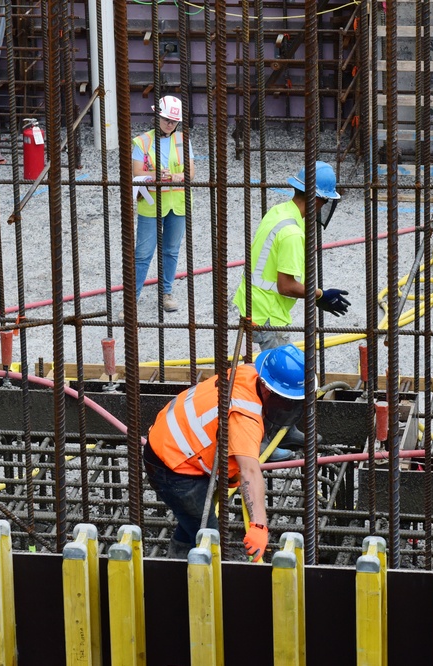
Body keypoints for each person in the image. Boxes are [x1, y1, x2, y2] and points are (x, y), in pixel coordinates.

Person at [144, 344, 308, 560]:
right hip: (173, 465)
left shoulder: (251, 372)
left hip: (175, 441)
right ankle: (186, 579)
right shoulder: (244, 416)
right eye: (286, 402)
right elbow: (250, 472)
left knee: (193, 521)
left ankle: (178, 558)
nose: (289, 408)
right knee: (208, 535)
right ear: (268, 389)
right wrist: (259, 525)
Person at [234, 160, 350, 352]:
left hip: (253, 303)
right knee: (281, 376)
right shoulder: (292, 233)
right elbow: (286, 286)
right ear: (317, 199)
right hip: (268, 314)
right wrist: (320, 295)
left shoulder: (278, 212)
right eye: (325, 200)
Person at [129, 95, 196, 316]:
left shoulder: (183, 141)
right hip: (151, 205)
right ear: (157, 115)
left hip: (177, 204)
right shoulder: (142, 141)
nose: (170, 124)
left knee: (171, 251)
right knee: (143, 253)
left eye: (174, 121)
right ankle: (132, 299)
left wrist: (177, 176)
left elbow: (192, 173)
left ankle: (166, 293)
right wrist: (155, 175)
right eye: (167, 119)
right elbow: (136, 172)